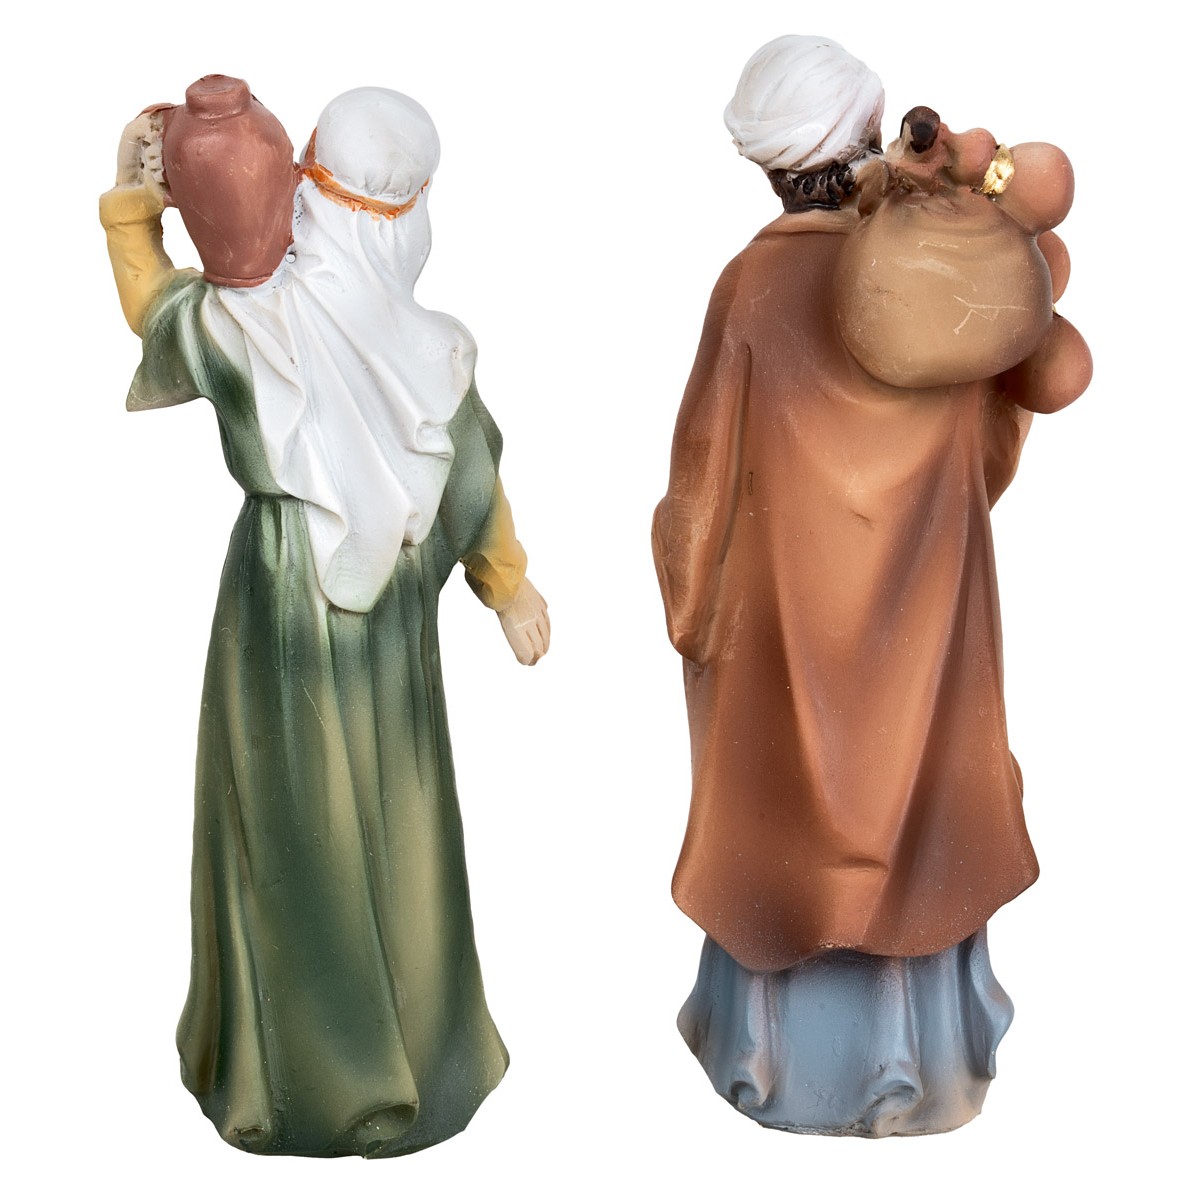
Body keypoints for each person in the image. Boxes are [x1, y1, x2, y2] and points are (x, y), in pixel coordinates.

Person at [101, 81, 549, 1157]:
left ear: (312, 186)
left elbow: (151, 304)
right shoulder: (431, 351)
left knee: (298, 826)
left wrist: (133, 206)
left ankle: (310, 1065)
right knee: (380, 815)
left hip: (283, 599)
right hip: (369, 618)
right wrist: (507, 584)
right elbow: (472, 475)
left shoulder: (243, 323)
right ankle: (380, 1056)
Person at [652, 35, 1089, 1136]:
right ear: (866, 139)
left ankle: (774, 1053)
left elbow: (703, 467)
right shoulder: (932, 279)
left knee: (783, 824)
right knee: (920, 807)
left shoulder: (752, 287)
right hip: (925, 611)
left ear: (770, 166)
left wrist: (689, 599)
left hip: (780, 623)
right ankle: (922, 1049)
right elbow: (986, 441)